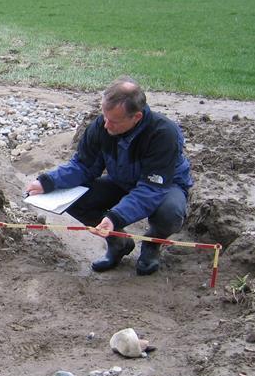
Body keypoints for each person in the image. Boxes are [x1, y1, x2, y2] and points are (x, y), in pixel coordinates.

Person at [25, 76, 193, 275]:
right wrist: (48, 181)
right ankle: (118, 242)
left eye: (113, 121)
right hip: (122, 181)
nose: (106, 125)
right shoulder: (102, 126)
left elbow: (151, 188)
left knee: (170, 213)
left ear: (136, 117)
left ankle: (152, 244)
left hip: (165, 186)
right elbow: (83, 165)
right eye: (105, 117)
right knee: (73, 198)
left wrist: (115, 217)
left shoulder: (164, 134)